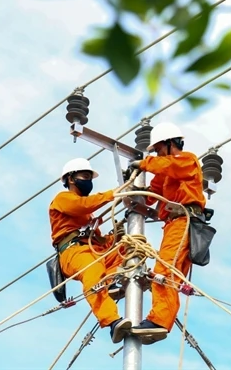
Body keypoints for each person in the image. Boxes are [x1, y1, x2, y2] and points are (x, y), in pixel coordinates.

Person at [127, 122, 206, 343]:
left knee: (165, 269)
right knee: (166, 274)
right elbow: (151, 193)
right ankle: (160, 319)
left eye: (160, 149)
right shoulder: (165, 170)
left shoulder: (187, 161)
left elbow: (168, 166)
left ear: (171, 144)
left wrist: (144, 163)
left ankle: (160, 321)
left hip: (185, 220)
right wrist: (132, 190)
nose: (158, 154)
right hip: (173, 225)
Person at [49, 157, 132, 344]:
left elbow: (98, 239)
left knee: (124, 249)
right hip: (73, 252)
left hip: (90, 249)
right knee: (92, 273)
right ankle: (112, 322)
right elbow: (82, 205)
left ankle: (110, 285)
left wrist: (115, 237)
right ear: (71, 179)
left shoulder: (89, 214)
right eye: (85, 176)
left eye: (90, 178)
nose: (88, 181)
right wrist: (113, 194)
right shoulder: (63, 199)